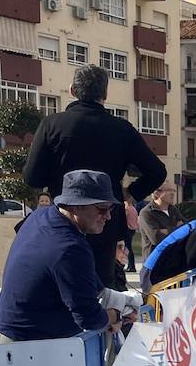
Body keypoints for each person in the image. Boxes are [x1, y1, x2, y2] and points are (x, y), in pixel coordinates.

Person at [23, 64, 166, 291]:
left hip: (64, 217)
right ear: (105, 94)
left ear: (72, 90)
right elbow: (157, 171)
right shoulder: (121, 129)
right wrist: (129, 193)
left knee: (62, 285)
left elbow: (32, 177)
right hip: (104, 218)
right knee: (100, 288)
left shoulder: (52, 125)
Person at [0, 170, 136, 341]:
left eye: (111, 208)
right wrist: (117, 315)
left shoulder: (41, 216)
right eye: (101, 209)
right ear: (75, 206)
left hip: (10, 329)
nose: (107, 216)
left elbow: (81, 278)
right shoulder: (70, 247)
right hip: (30, 343)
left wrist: (107, 296)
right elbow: (89, 319)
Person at [137, 182, 181, 261]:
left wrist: (166, 231)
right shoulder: (147, 212)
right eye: (168, 190)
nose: (172, 193)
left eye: (173, 191)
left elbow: (187, 227)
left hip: (172, 260)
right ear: (157, 193)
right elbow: (156, 238)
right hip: (154, 263)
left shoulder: (173, 209)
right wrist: (177, 229)